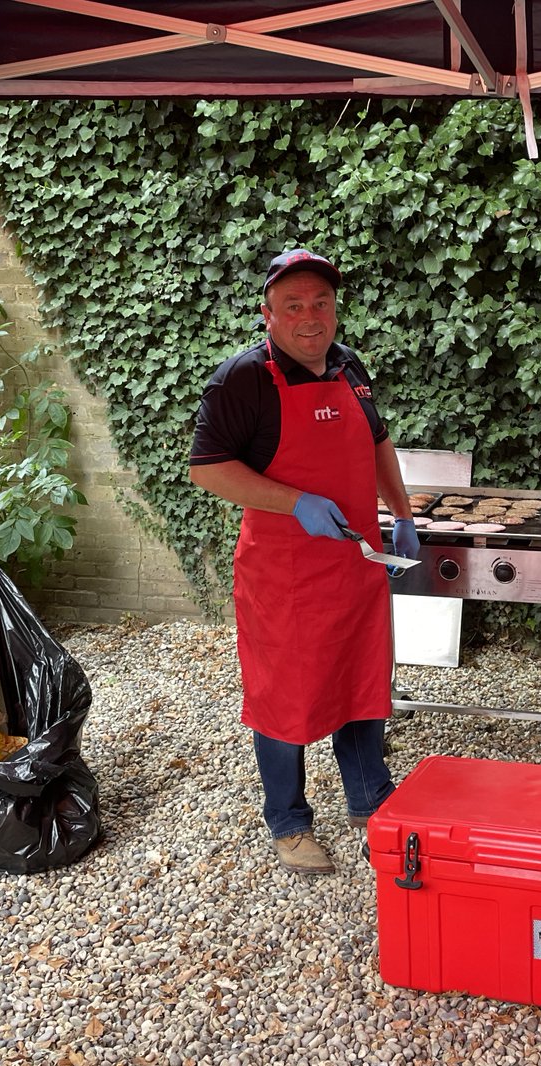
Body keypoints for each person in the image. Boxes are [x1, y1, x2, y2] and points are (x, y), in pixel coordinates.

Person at [189, 248, 420, 875]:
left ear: (335, 310)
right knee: (283, 695)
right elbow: (207, 469)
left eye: (321, 302)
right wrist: (295, 502)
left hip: (356, 564)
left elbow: (377, 441)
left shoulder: (349, 367)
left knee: (361, 680)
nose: (310, 316)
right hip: (284, 575)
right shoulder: (243, 379)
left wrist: (401, 513)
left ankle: (370, 796)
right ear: (268, 315)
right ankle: (288, 821)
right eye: (293, 305)